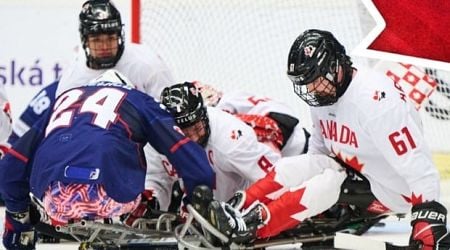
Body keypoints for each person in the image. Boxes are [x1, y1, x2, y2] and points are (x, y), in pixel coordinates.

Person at [206, 29, 449, 249]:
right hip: (358, 173)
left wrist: (429, 214)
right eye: (306, 82)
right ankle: (237, 208)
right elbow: (318, 155)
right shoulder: (324, 96)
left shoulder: (376, 100)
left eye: (315, 79)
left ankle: (251, 229)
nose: (311, 89)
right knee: (298, 165)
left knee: (329, 182)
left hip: (392, 191)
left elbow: (416, 163)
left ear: (337, 66)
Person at [0, 70, 215, 250]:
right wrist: (196, 203)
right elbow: (185, 154)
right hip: (111, 198)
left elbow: (10, 165)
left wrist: (18, 220)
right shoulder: (138, 99)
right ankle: (134, 215)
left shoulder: (64, 101)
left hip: (55, 201)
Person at [142, 82, 281, 213]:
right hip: (195, 214)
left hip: (242, 212)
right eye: (185, 133)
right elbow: (156, 178)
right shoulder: (160, 138)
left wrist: (249, 207)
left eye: (197, 128)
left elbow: (276, 177)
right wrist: (150, 200)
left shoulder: (229, 139)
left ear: (204, 116)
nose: (194, 139)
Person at [56, 0, 174, 99]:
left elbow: (168, 118)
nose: (105, 46)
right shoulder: (72, 81)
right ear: (85, 41)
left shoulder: (148, 66)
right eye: (97, 40)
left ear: (119, 36)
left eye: (111, 38)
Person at [195, 82, 309, 156]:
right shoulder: (233, 94)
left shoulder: (220, 108)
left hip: (274, 123)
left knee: (229, 133)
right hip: (291, 125)